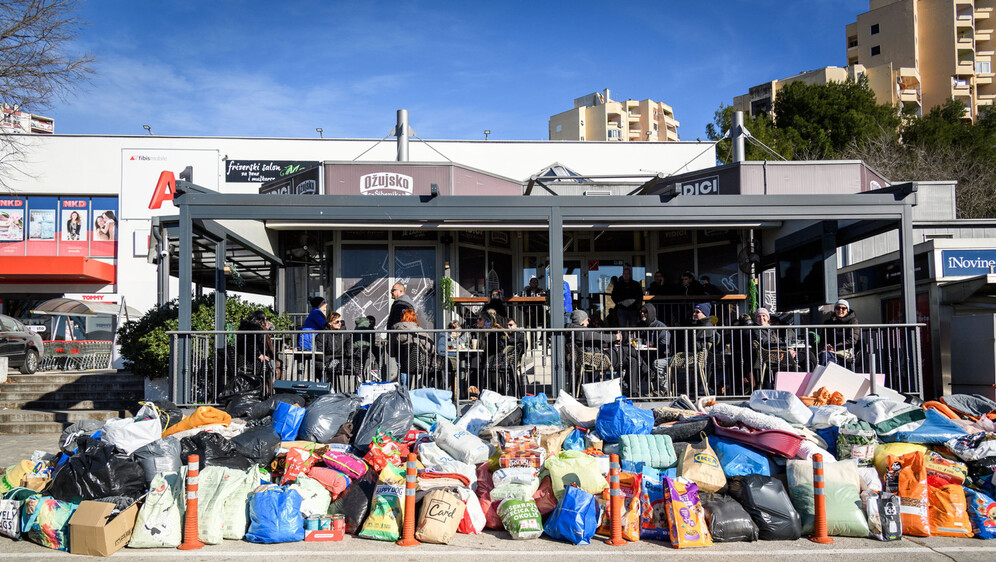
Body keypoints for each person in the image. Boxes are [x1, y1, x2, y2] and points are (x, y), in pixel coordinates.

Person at [392, 308, 436, 385]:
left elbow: (390, 350)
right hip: (418, 363)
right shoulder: (419, 331)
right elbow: (431, 347)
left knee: (403, 366)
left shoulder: (395, 331)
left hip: (402, 362)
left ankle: (404, 389)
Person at [821, 299, 860, 366]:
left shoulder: (853, 321)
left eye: (843, 308)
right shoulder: (828, 322)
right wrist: (826, 346)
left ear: (847, 310)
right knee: (819, 356)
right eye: (838, 308)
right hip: (830, 350)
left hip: (846, 349)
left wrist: (834, 348)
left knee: (828, 357)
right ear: (835, 310)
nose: (840, 310)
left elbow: (852, 340)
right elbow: (823, 338)